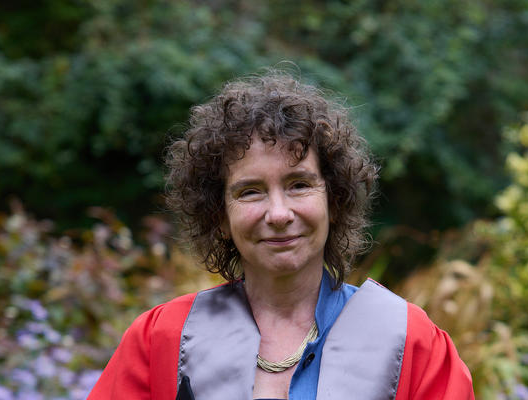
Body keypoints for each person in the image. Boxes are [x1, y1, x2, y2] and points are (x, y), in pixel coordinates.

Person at [88, 71, 474, 400]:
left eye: (299, 185)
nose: (278, 214)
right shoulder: (161, 341)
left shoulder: (411, 343)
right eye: (250, 191)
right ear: (219, 215)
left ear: (334, 199)